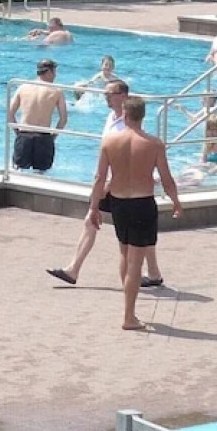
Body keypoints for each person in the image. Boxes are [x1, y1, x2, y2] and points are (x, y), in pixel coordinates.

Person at [48, 80, 165, 289]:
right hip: (111, 183)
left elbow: (130, 158)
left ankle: (152, 274)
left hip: (119, 185)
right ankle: (73, 269)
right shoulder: (111, 118)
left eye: (109, 94)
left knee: (136, 234)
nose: (105, 97)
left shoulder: (129, 125)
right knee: (94, 222)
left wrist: (106, 185)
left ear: (123, 96)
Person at [83, 96, 182, 331]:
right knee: (136, 261)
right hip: (142, 203)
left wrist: (93, 207)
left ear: (125, 116)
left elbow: (99, 178)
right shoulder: (154, 144)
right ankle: (129, 315)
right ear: (143, 116)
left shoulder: (109, 142)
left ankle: (129, 305)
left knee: (124, 254)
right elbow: (167, 179)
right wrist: (176, 202)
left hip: (118, 203)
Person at [8, 59, 68, 172]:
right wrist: (52, 137)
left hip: (24, 134)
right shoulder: (56, 90)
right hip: (43, 136)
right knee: (40, 175)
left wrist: (18, 132)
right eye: (54, 72)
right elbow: (63, 119)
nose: (55, 75)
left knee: (19, 172)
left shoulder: (23, 87)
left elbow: (10, 113)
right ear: (49, 72)